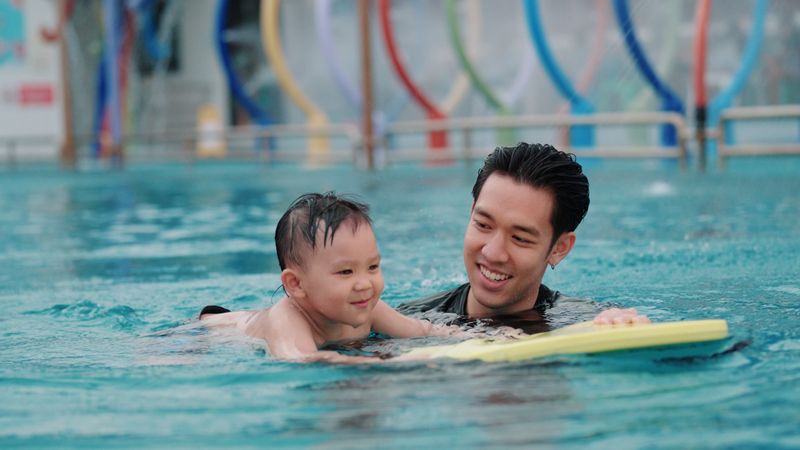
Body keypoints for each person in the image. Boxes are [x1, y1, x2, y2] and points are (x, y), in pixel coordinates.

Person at [398, 142, 649, 331]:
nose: (492, 253)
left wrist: (625, 331)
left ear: (559, 248)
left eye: (520, 238)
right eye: (483, 225)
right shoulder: (409, 322)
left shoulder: (584, 321)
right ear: (471, 212)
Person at [200, 192, 453, 363]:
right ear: (296, 284)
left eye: (373, 267)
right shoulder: (286, 318)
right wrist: (376, 364)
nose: (365, 283)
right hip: (209, 332)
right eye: (346, 271)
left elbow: (423, 330)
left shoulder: (366, 306)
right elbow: (300, 357)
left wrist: (478, 340)